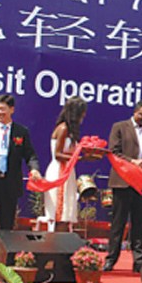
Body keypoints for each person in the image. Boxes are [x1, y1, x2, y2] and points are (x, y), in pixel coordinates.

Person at [0, 94, 41, 254]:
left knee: (7, 223)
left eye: (2, 109)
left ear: (12, 110)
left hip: (9, 183)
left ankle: (5, 259)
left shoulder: (21, 131)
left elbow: (30, 154)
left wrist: (34, 169)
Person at [103, 100, 142, 273]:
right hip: (123, 182)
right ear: (135, 112)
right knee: (118, 223)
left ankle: (138, 262)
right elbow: (114, 152)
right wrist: (133, 162)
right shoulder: (120, 127)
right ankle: (111, 259)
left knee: (139, 224)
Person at [43, 97, 88, 232]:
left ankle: (60, 247)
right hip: (59, 172)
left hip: (68, 171)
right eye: (82, 112)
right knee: (60, 213)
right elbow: (57, 155)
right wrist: (78, 158)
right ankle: (55, 247)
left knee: (66, 213)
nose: (84, 115)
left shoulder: (71, 130)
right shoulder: (63, 129)